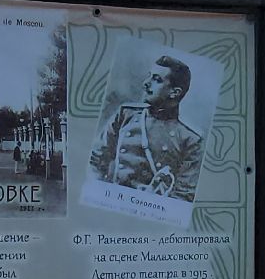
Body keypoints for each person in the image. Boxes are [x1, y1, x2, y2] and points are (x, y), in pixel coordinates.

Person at [87, 55, 204, 200]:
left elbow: (183, 196)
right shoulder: (126, 114)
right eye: (149, 77)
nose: (145, 84)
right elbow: (94, 161)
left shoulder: (190, 139)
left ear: (175, 92)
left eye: (157, 80)